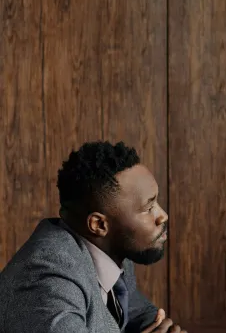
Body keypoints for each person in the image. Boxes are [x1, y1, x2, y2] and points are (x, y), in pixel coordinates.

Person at [0, 141, 187, 333]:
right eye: (148, 208)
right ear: (99, 225)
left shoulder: (110, 248)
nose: (163, 216)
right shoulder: (48, 281)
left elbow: (134, 310)